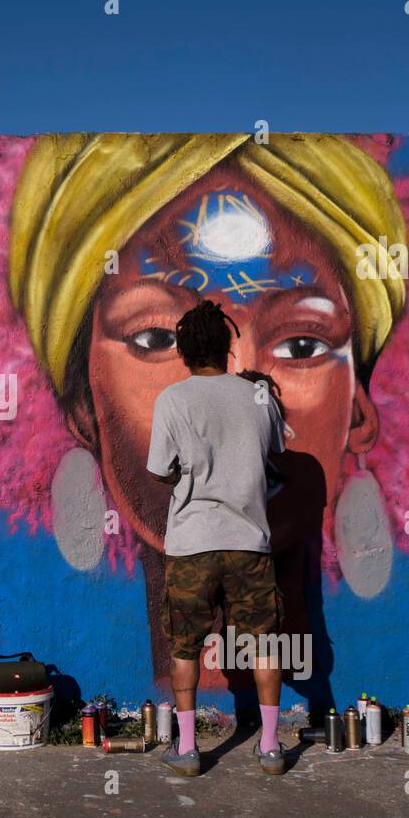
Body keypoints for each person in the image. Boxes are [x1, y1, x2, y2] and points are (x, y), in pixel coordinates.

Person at [146, 299, 286, 776]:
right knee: (265, 645)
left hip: (192, 543)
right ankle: (270, 747)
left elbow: (161, 470)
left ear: (184, 351)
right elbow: (272, 456)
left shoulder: (172, 400)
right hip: (250, 540)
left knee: (184, 647)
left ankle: (188, 750)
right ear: (227, 347)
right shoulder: (259, 397)